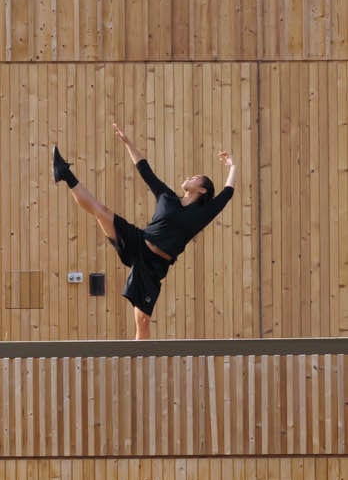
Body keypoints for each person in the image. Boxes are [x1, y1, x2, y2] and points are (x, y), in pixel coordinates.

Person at [52, 122, 237, 339]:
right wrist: (128, 142)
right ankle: (65, 173)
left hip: (154, 266)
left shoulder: (202, 214)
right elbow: (144, 170)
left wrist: (232, 166)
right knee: (101, 211)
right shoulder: (167, 196)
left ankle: (137, 364)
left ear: (202, 190)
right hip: (138, 241)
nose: (189, 177)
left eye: (195, 178)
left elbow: (227, 194)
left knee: (143, 323)